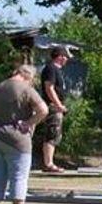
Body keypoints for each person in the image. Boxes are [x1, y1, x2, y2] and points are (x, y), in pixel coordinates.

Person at [0, 58, 50, 204]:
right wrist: (28, 123)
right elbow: (44, 110)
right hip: (16, 138)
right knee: (19, 175)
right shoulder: (26, 89)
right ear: (29, 76)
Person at [37, 45, 83, 174]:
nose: (66, 59)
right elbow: (49, 87)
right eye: (65, 57)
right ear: (60, 57)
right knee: (52, 133)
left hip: (56, 105)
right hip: (52, 106)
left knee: (55, 134)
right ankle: (48, 163)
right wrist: (58, 105)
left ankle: (49, 161)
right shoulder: (51, 69)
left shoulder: (56, 70)